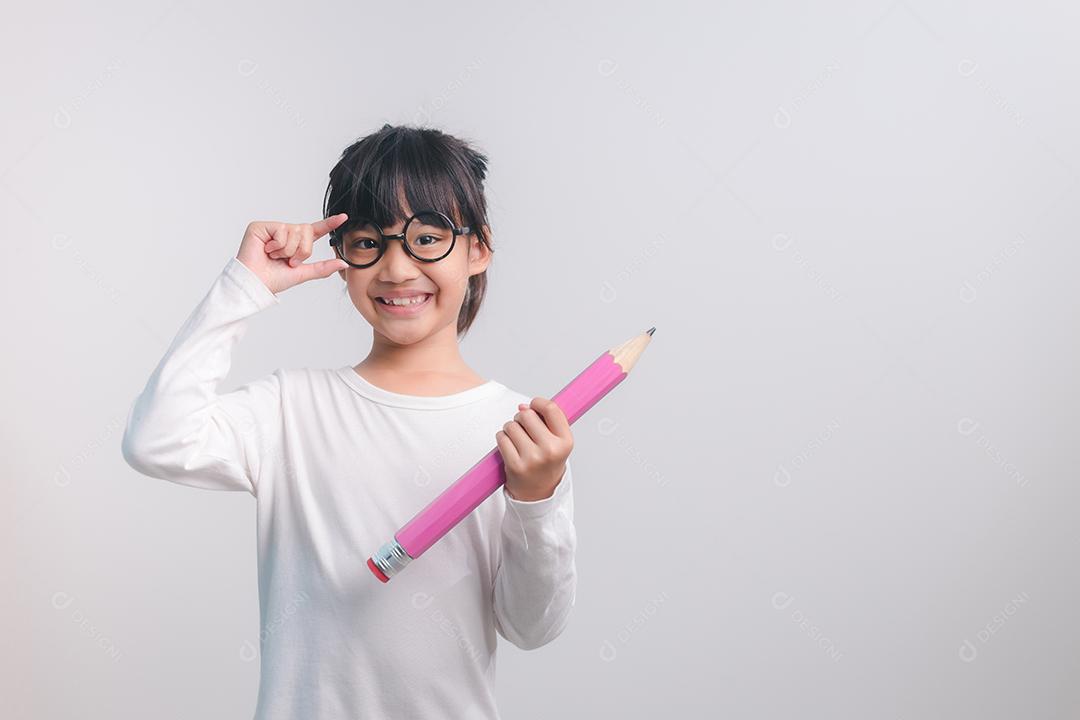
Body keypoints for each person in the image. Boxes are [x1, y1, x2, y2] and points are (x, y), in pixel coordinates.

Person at [120, 124, 577, 719]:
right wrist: (245, 288)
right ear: (341, 256)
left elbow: (533, 626)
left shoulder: (520, 431)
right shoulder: (291, 410)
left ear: (478, 248)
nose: (395, 269)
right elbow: (156, 439)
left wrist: (537, 499)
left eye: (427, 238)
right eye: (368, 242)